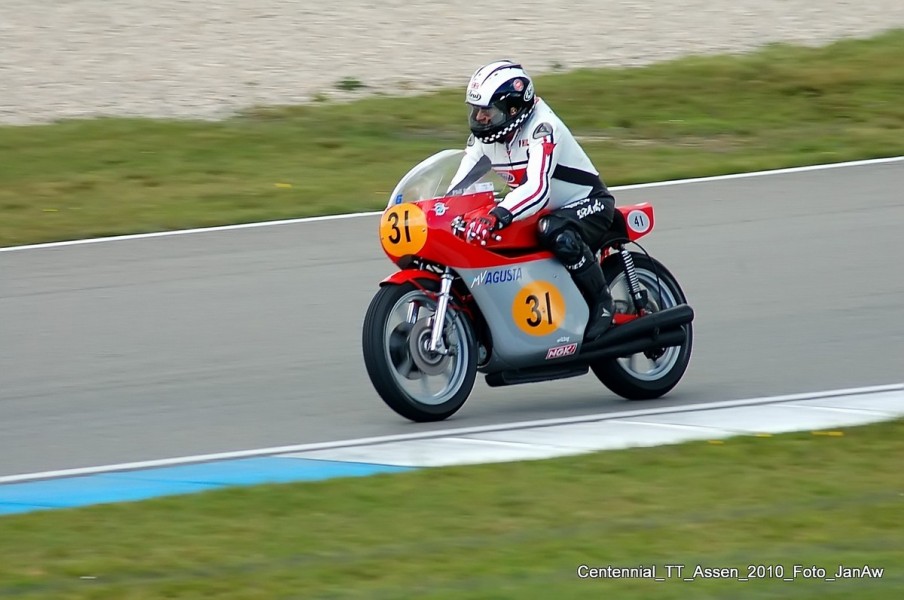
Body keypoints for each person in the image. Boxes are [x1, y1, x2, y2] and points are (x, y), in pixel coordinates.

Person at [448, 59, 618, 341]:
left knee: (554, 230)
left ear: (513, 109)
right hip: (541, 210)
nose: (479, 118)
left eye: (487, 111)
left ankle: (603, 303)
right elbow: (459, 186)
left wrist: (496, 214)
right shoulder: (487, 138)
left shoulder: (543, 127)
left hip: (588, 203)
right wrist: (445, 212)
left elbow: (537, 189)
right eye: (476, 110)